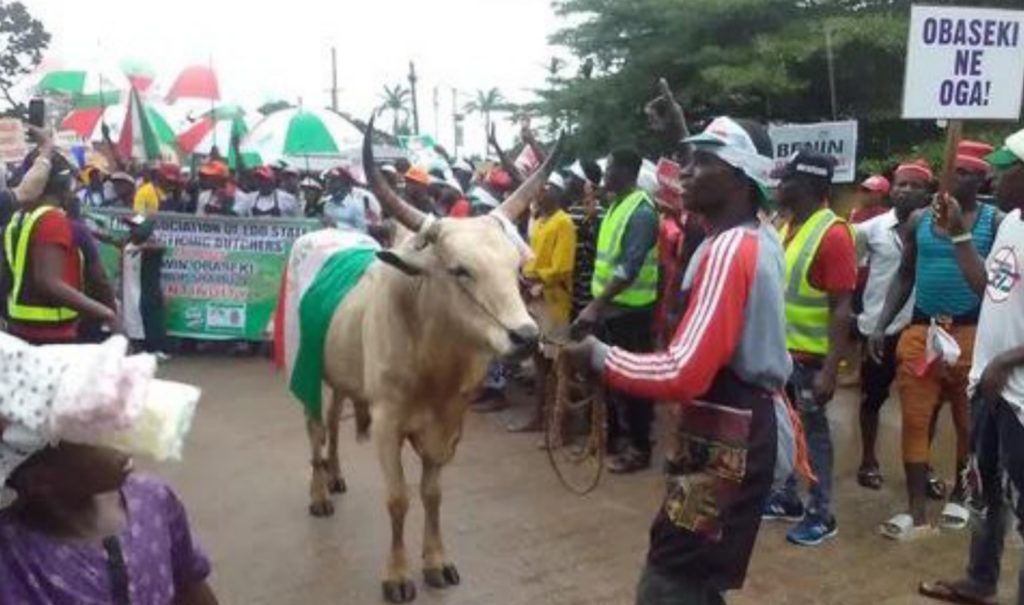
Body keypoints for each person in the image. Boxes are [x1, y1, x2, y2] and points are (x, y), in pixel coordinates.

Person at [566, 117, 792, 604]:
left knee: (671, 578)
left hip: (729, 438)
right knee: (692, 572)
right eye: (687, 160)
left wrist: (600, 356)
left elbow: (683, 370)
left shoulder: (731, 249)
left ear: (740, 176)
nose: (684, 172)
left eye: (703, 161)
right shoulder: (747, 236)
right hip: (729, 428)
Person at [870, 143, 1005, 539]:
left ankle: (961, 497)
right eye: (953, 171)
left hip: (973, 332)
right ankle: (914, 510)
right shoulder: (918, 220)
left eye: (966, 173)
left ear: (982, 179)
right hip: (922, 332)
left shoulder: (994, 222)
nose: (957, 179)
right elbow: (905, 275)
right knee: (914, 419)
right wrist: (881, 323)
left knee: (968, 425)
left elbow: (1002, 286)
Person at [918, 128, 1024, 605]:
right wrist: (960, 232)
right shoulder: (1012, 224)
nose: (996, 175)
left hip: (1019, 395)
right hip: (990, 386)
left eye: (1007, 167)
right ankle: (981, 581)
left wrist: (1010, 358)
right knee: (985, 493)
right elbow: (989, 288)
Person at [763, 150, 856, 547]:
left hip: (812, 358)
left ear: (808, 185)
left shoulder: (832, 234)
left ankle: (822, 512)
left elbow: (841, 308)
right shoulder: (787, 228)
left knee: (814, 435)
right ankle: (788, 499)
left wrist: (831, 370)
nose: (779, 186)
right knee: (786, 432)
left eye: (787, 180)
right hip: (783, 357)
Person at [575, 148, 660, 474]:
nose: (604, 174)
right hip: (610, 311)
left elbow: (628, 268)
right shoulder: (617, 206)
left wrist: (595, 307)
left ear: (624, 171)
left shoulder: (641, 213)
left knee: (635, 383)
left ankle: (639, 448)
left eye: (608, 168)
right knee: (609, 379)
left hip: (630, 314)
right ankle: (612, 438)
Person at [853, 163, 931, 491]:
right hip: (878, 330)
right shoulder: (868, 230)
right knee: (873, 396)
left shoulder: (937, 230)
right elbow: (854, 279)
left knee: (927, 401)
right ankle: (868, 459)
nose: (905, 190)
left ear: (928, 193)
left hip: (921, 327)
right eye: (901, 184)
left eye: (915, 185)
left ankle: (921, 466)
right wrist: (861, 321)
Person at [1, 150, 118, 345]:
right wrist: (109, 313)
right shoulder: (61, 224)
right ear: (63, 186)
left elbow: (5, 278)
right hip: (59, 335)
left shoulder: (14, 223)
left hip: (18, 332)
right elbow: (98, 280)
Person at [515, 172, 577, 432]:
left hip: (552, 299)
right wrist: (524, 277)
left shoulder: (564, 223)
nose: (538, 193)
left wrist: (536, 280)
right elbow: (530, 258)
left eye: (544, 188)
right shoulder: (539, 222)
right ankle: (540, 417)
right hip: (534, 295)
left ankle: (560, 423)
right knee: (540, 364)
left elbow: (562, 267)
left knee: (557, 366)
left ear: (556, 192)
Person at [565, 159, 606, 320]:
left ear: (585, 183)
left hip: (586, 294)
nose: (567, 181)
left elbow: (594, 252)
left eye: (571, 176)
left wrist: (591, 221)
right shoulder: (570, 210)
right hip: (570, 291)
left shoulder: (600, 214)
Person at [321, 166, 382, 232]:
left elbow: (363, 230)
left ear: (345, 182)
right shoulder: (327, 205)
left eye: (334, 180)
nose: (329, 183)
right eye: (328, 179)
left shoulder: (358, 202)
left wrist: (338, 228)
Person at [234, 166, 301, 218]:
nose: (260, 182)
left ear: (272, 181)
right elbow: (235, 215)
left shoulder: (288, 199)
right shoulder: (249, 198)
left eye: (264, 179)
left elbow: (299, 221)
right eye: (258, 179)